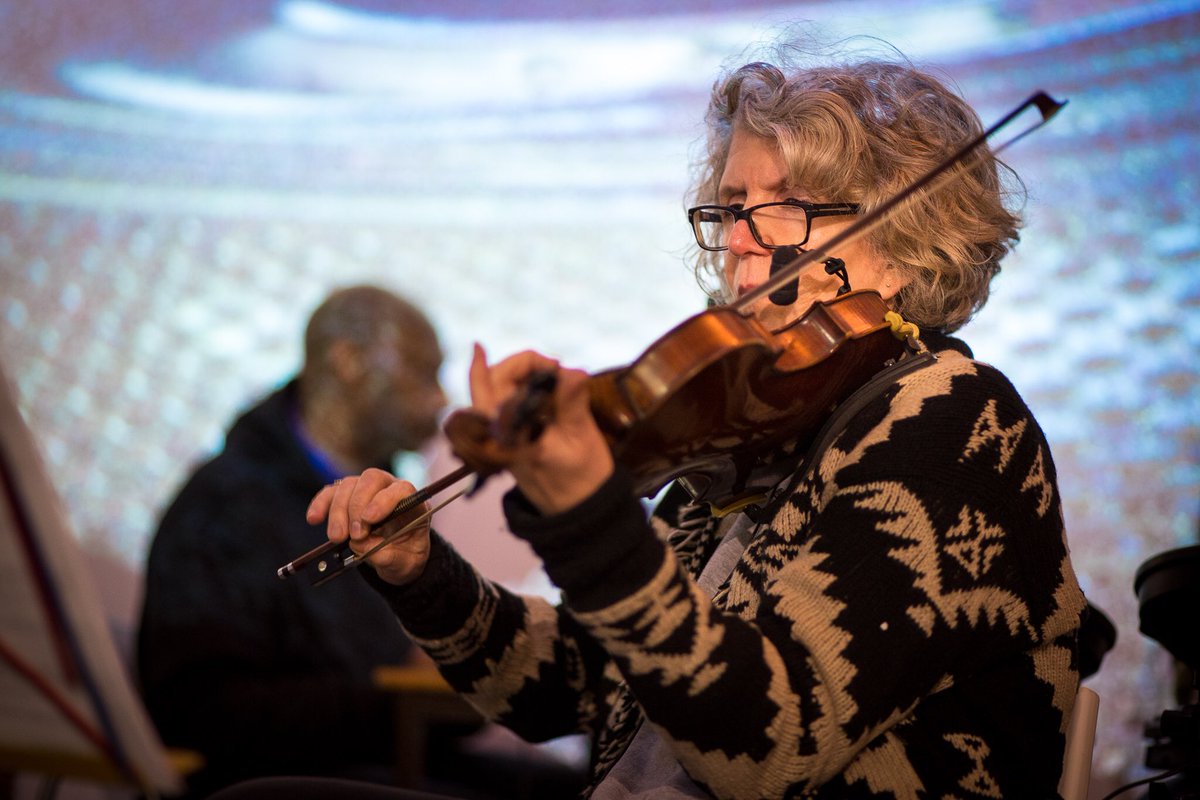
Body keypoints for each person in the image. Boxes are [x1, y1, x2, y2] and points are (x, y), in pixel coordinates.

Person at [307, 42, 1087, 799]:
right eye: (733, 206)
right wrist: (423, 574)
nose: (740, 240)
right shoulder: (749, 438)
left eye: (786, 207)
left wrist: (593, 520)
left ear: (910, 239)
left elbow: (769, 748)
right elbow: (573, 687)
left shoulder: (954, 424)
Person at [136, 285, 450, 796]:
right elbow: (197, 710)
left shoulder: (388, 508)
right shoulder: (222, 506)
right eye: (422, 372)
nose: (441, 399)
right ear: (347, 362)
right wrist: (403, 703)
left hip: (375, 761)